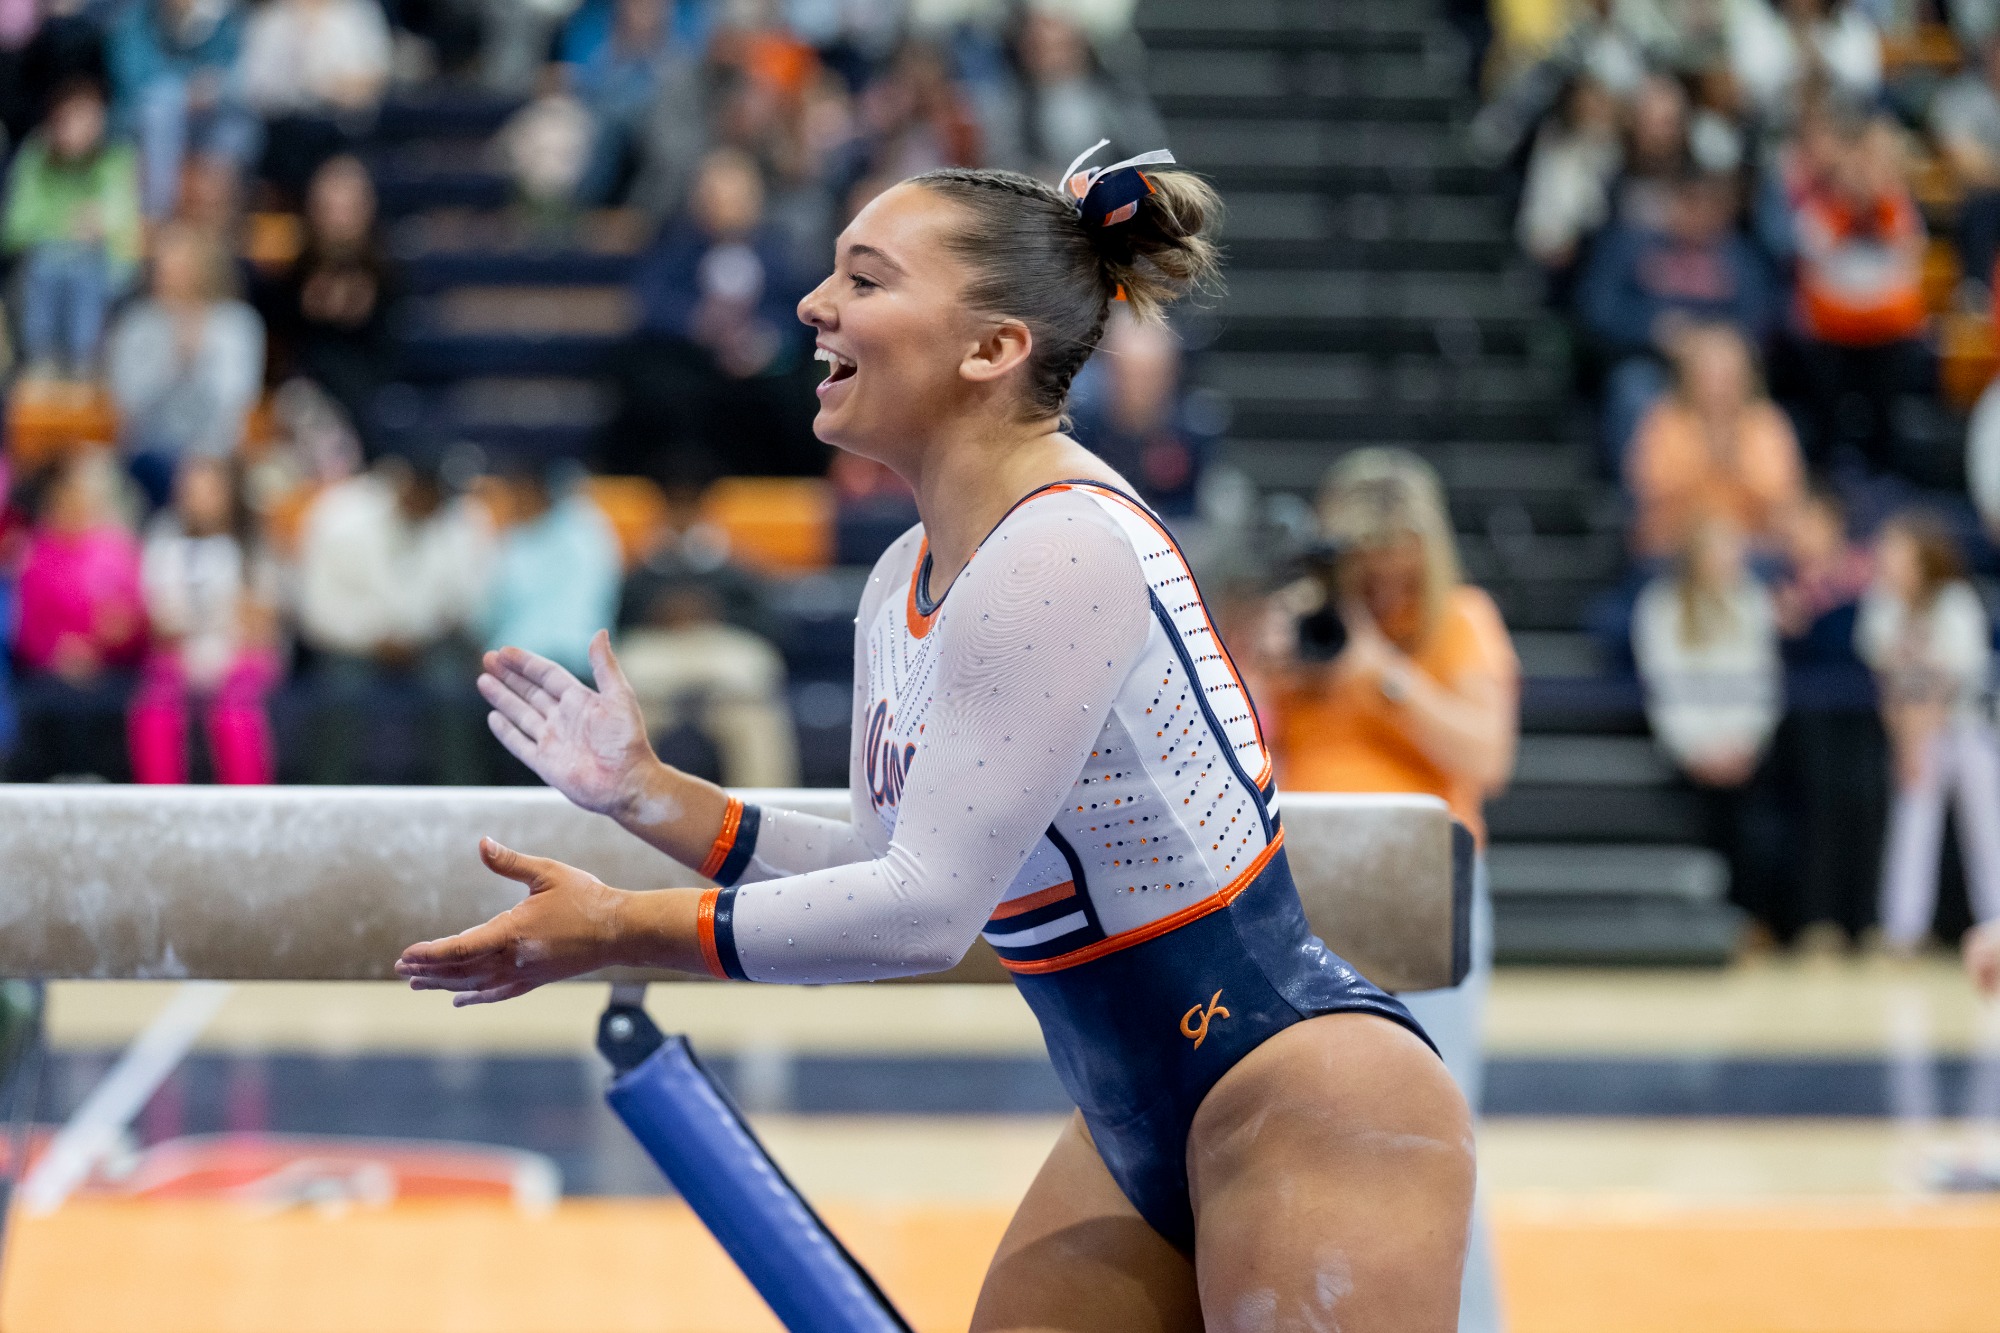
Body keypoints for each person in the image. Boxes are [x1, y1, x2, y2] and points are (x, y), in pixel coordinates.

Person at [399, 151, 1475, 1327]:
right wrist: (649, 795)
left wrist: (615, 927)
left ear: (991, 347)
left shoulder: (1064, 546)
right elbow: (881, 875)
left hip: (1296, 1089)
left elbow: (920, 916)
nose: (812, 305)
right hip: (1128, 1118)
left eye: (862, 279)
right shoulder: (896, 586)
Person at [1252, 446, 1518, 1333]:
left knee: (1438, 1135)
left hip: (1424, 890)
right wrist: (1268, 665)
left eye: (1402, 581)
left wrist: (1378, 672)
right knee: (1308, 1135)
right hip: (1314, 888)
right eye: (1370, 582)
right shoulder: (1304, 626)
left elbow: (1484, 755)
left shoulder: (1464, 623)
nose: (1388, 600)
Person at [601, 147, 820, 487]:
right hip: (692, 364)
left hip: (760, 371)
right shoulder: (678, 246)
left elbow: (798, 310)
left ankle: (786, 486)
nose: (726, 207)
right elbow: (649, 301)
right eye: (716, 196)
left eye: (737, 197)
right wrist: (696, 322)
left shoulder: (777, 252)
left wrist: (765, 340)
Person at [294, 451, 495, 785]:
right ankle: (325, 800)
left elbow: (474, 603)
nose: (434, 502)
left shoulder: (463, 520)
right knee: (341, 694)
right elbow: (317, 608)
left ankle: (464, 799)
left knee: (454, 692)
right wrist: (373, 637)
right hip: (354, 644)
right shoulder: (340, 514)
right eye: (426, 490)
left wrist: (429, 630)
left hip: (431, 645)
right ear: (402, 483)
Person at [1633, 516, 1788, 938]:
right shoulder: (1662, 605)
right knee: (1707, 826)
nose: (1730, 560)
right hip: (1691, 751)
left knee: (1753, 832)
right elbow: (1664, 684)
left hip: (1743, 750)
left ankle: (1751, 923)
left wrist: (1746, 743)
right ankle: (1700, 923)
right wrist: (1696, 748)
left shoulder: (1752, 601)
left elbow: (1764, 681)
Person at [1858, 512, 2000, 952]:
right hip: (1914, 729)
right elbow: (1889, 685)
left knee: (1986, 830)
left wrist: (1919, 740)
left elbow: (1947, 684)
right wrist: (1907, 743)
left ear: (1921, 557)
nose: (1888, 560)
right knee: (1913, 822)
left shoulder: (1956, 601)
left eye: (1897, 551)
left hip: (1967, 726)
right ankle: (1903, 933)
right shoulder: (1881, 605)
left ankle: (1996, 927)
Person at [1576, 171, 1776, 468]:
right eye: (1688, 201)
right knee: (1633, 393)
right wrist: (1651, 328)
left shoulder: (1739, 258)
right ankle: (1645, 501)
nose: (1697, 212)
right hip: (1653, 366)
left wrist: (1711, 342)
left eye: (1708, 203)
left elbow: (1762, 318)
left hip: (1723, 373)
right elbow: (1596, 309)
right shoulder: (1633, 245)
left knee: (1761, 415)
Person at [1787, 115, 1934, 475]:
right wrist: (1850, 215)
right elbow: (1812, 259)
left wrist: (1878, 212)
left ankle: (1885, 473)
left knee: (1890, 402)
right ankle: (1823, 470)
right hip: (1833, 332)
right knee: (1823, 403)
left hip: (1886, 332)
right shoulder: (1822, 209)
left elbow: (1910, 262)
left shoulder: (1897, 209)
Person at [1771, 487, 1883, 950]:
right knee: (1821, 810)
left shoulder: (1865, 576)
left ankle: (1868, 920)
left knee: (1868, 808)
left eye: (1810, 521)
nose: (1800, 532)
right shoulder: (1788, 589)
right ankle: (1819, 920)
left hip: (1861, 712)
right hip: (1812, 714)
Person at [129, 454, 281, 784]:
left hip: (240, 653)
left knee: (234, 714)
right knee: (157, 711)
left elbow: (263, 622)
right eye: (192, 490)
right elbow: (157, 621)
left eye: (209, 490)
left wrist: (221, 629)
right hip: (178, 654)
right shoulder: (164, 536)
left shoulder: (253, 544)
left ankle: (248, 804)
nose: (199, 499)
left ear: (229, 493)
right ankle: (160, 803)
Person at [106, 220, 265, 510]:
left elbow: (236, 401)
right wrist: (173, 363)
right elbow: (127, 401)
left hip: (216, 458)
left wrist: (198, 362)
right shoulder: (136, 324)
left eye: (179, 264)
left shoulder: (236, 324)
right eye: (164, 263)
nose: (168, 272)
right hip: (148, 455)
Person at [9, 449, 146, 781]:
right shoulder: (36, 556)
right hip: (51, 673)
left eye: (79, 497)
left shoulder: (117, 552)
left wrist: (111, 641)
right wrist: (59, 652)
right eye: (64, 498)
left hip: (112, 670)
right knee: (52, 705)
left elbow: (136, 623)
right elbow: (27, 630)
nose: (72, 505)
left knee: (119, 706)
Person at [1625, 322, 1805, 561]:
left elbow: (1781, 500)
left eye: (1727, 373)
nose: (1718, 383)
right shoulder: (1664, 420)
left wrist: (1733, 466)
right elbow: (1650, 494)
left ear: (1747, 375)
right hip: (1677, 552)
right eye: (1708, 371)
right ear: (1688, 374)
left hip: (1752, 553)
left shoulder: (1766, 424)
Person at [3, 77, 142, 381]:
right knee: (50, 261)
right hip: (40, 268)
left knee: (82, 269)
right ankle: (41, 362)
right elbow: (14, 229)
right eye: (73, 117)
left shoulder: (116, 160)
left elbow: (125, 232)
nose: (82, 127)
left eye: (90, 118)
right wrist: (64, 227)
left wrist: (101, 230)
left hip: (103, 271)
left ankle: (83, 365)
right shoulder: (37, 156)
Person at [254, 155, 398, 435]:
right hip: (297, 406)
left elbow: (389, 358)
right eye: (329, 209)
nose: (338, 222)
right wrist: (304, 305)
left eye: (347, 209)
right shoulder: (290, 275)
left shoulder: (387, 279)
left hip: (364, 412)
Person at [105, 0, 258, 219]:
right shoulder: (135, 17)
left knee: (239, 128)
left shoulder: (221, 18)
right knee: (162, 105)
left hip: (205, 119)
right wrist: (184, 90)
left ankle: (218, 222)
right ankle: (158, 213)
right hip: (144, 121)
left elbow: (237, 81)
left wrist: (207, 90)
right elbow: (134, 82)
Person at [1065, 307, 1218, 517]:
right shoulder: (1078, 426)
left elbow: (1191, 510)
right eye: (1129, 375)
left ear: (1173, 374)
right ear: (1108, 373)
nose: (1141, 388)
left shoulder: (1191, 429)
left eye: (1152, 375)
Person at [238, 0, 392, 203]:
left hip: (344, 133)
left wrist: (333, 89)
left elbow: (375, 79)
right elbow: (255, 88)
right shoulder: (273, 18)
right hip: (286, 133)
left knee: (345, 172)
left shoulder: (358, 12)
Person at [480, 460, 621, 679]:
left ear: (540, 491)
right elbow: (488, 616)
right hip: (514, 663)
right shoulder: (513, 542)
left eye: (521, 493)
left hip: (575, 660)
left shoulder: (583, 528)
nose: (514, 502)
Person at [1930, 33, 2000, 302]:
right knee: (1985, 204)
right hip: (1973, 201)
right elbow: (1961, 160)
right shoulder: (1961, 96)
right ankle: (1976, 294)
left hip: (1987, 185)